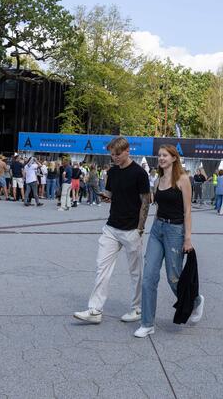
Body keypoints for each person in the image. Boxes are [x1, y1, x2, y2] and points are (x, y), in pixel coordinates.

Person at [74, 137, 151, 325]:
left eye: (117, 154)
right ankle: (95, 310)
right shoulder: (113, 172)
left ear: (127, 151)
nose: (114, 157)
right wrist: (104, 195)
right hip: (111, 227)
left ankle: (137, 308)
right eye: (111, 154)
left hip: (131, 228)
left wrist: (140, 228)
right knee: (102, 267)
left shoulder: (140, 173)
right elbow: (110, 193)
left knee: (136, 272)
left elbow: (145, 201)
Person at [135, 144, 204, 338]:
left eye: (165, 155)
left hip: (176, 231)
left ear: (174, 158)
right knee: (149, 276)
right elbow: (154, 204)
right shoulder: (158, 180)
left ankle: (196, 300)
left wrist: (187, 238)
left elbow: (187, 211)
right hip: (158, 229)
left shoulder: (183, 180)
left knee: (174, 279)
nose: (161, 158)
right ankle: (147, 323)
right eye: (159, 156)